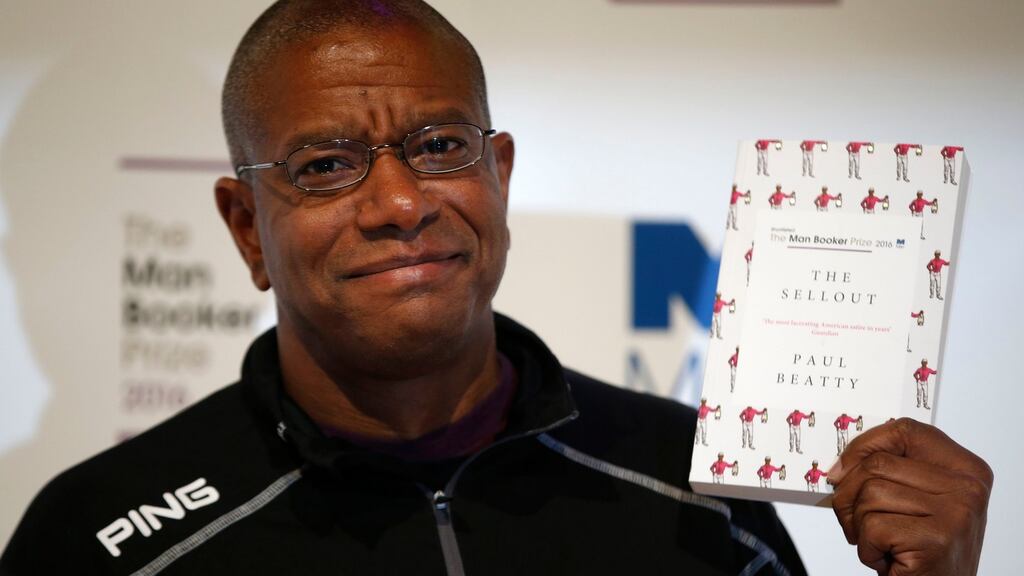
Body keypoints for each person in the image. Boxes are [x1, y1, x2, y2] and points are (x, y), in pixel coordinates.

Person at [1, 2, 993, 576]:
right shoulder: (98, 539)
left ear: (499, 176)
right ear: (242, 226)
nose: (398, 201)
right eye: (324, 165)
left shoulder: (697, 491)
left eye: (438, 146)